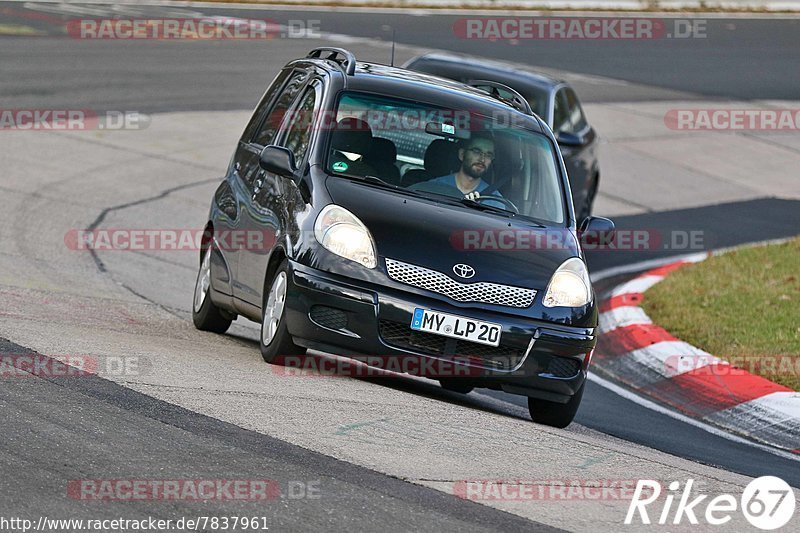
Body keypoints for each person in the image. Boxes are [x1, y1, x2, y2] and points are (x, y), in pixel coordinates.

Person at [414, 134, 504, 204]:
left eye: (488, 155)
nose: (482, 159)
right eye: (477, 151)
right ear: (462, 154)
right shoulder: (434, 187)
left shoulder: (494, 200)